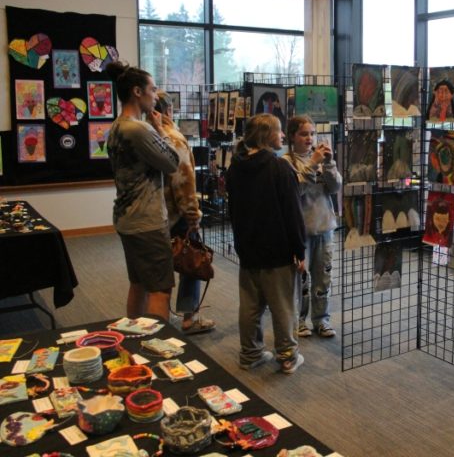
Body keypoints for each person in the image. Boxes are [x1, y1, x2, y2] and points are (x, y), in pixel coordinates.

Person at [226, 113, 307, 374]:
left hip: (247, 248)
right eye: (279, 130)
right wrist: (300, 249)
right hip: (278, 250)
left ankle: (250, 353)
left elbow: (233, 209)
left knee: (250, 306)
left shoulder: (235, 167)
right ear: (267, 135)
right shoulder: (280, 168)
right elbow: (293, 214)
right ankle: (287, 356)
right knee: (283, 305)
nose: (283, 136)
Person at [105, 61, 180, 321]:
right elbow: (172, 162)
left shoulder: (117, 126)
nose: (155, 95)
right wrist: (161, 129)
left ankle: (135, 338)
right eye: (153, 88)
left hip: (128, 218)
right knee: (160, 289)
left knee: (138, 283)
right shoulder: (138, 129)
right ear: (137, 91)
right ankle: (157, 348)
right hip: (146, 221)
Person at [154, 91, 214, 334]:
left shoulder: (145, 136)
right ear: (169, 110)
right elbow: (184, 180)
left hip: (156, 215)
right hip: (176, 215)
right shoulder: (174, 139)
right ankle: (190, 318)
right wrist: (193, 214)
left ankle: (158, 319)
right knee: (192, 260)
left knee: (159, 270)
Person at [283, 115, 342, 338]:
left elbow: (335, 187)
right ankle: (299, 319)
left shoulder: (319, 159)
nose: (309, 138)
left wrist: (329, 163)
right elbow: (295, 192)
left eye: (312, 134)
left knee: (323, 277)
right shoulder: (287, 162)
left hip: (325, 226)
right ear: (292, 136)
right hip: (301, 231)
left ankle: (321, 319)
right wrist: (312, 163)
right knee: (301, 280)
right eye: (304, 134)